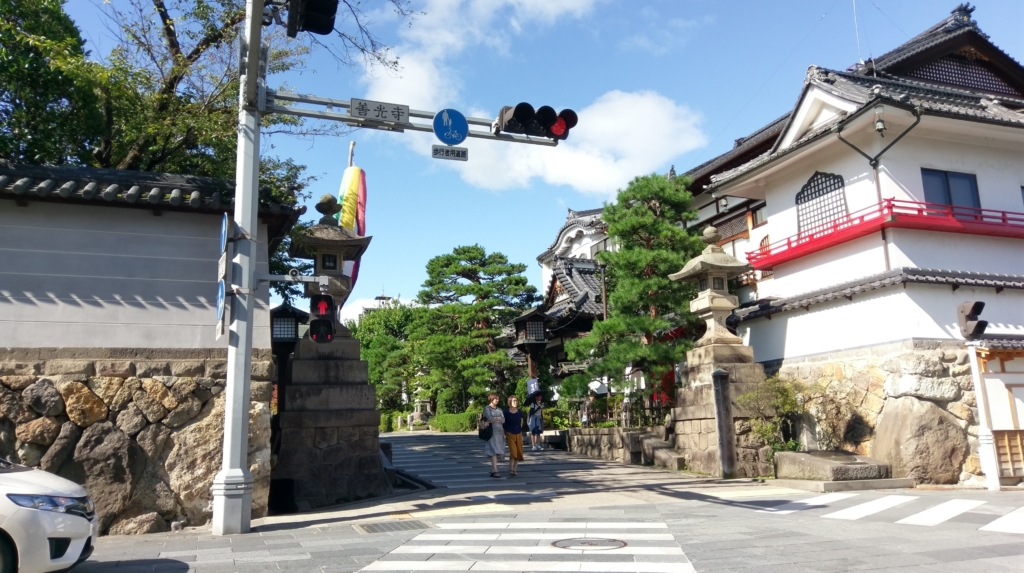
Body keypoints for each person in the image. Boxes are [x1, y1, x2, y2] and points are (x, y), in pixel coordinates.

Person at [483, 393, 506, 478]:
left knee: (497, 452)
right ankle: (496, 471)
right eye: (495, 399)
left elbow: (503, 420)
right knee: (494, 451)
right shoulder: (487, 408)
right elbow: (489, 418)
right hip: (491, 432)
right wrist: (496, 419)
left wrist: (496, 420)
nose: (497, 400)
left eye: (498, 399)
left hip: (500, 432)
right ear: (491, 399)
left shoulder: (499, 409)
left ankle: (493, 471)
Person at [502, 395, 525, 476]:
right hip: (509, 433)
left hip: (518, 432)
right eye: (514, 401)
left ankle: (514, 469)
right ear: (510, 402)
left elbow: (521, 420)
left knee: (518, 451)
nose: (515, 402)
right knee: (513, 451)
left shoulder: (519, 411)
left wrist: (520, 427)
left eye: (516, 400)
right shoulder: (506, 412)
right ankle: (510, 468)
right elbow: (503, 422)